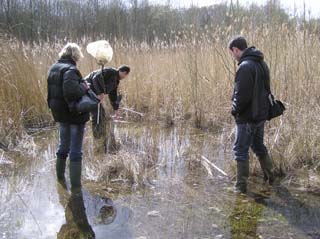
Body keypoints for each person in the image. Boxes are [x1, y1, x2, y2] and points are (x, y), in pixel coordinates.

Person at [228, 36, 275, 194]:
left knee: (240, 151)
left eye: (232, 53)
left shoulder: (245, 66)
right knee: (258, 146)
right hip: (260, 115)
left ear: (236, 49)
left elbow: (242, 97)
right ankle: (271, 177)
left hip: (247, 117)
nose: (233, 56)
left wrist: (234, 110)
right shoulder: (261, 63)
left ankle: (240, 188)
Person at [47, 43, 90, 190]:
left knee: (63, 146)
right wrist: (85, 87)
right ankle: (76, 188)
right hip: (74, 114)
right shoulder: (71, 70)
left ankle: (60, 180)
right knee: (76, 151)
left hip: (60, 113)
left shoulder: (53, 68)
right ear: (74, 55)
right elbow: (72, 92)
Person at [84, 65, 130, 138]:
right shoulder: (110, 71)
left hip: (94, 94)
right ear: (124, 73)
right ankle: (97, 136)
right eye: (126, 75)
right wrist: (100, 93)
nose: (124, 77)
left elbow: (113, 95)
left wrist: (116, 109)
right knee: (98, 113)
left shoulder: (116, 81)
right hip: (87, 90)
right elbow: (95, 78)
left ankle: (100, 135)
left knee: (101, 113)